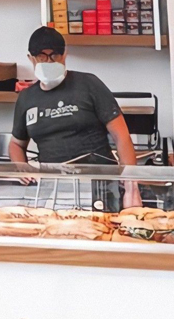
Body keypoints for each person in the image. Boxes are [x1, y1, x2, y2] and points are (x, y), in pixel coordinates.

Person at [9, 27, 141, 207]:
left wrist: (131, 186)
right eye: (41, 56)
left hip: (99, 186)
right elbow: (16, 143)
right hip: (53, 190)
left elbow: (121, 135)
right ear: (30, 59)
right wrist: (22, 168)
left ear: (64, 55)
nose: (48, 61)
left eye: (54, 55)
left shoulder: (88, 84)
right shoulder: (26, 98)